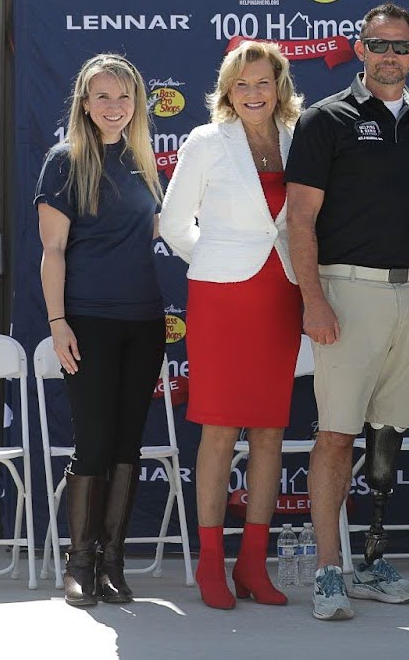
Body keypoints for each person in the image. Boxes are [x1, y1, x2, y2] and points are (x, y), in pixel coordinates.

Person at [285, 3, 409, 622]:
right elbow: (298, 219)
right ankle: (331, 570)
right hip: (345, 292)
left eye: (400, 46)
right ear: (360, 49)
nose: (389, 56)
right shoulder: (325, 119)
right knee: (335, 433)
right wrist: (313, 300)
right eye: (377, 45)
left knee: (390, 431)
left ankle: (374, 560)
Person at [159, 40, 306, 610]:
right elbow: (173, 222)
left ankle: (252, 562)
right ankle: (210, 563)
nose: (252, 94)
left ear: (279, 86)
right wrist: (215, 258)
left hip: (282, 294)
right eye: (241, 84)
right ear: (227, 89)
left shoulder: (299, 138)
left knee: (270, 430)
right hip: (221, 295)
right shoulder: (204, 141)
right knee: (219, 429)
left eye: (263, 83)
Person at [35, 53, 165, 607]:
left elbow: (171, 233)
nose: (114, 107)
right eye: (103, 97)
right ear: (85, 105)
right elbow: (53, 250)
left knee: (126, 444)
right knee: (91, 443)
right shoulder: (64, 161)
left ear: (136, 103)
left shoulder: (145, 161)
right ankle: (79, 563)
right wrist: (58, 322)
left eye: (124, 96)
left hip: (144, 322)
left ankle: (113, 563)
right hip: (86, 321)